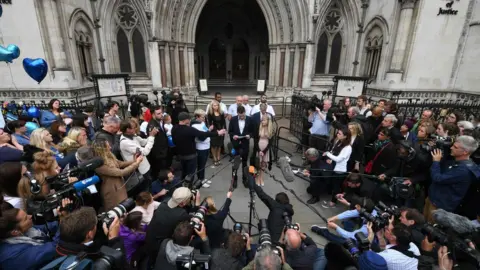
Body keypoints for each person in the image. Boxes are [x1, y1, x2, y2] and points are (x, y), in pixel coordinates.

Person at [0, 199, 70, 270]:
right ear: (15, 232)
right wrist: (65, 220)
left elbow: (48, 227)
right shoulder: (15, 254)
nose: (30, 216)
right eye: (25, 218)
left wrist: (62, 214)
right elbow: (55, 247)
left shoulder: (24, 230)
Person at [424, 136, 480, 222]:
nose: (451, 147)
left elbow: (437, 178)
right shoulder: (457, 161)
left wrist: (436, 162)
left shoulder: (463, 170)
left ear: (465, 152)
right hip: (433, 199)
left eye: (455, 147)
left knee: (429, 228)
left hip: (439, 207)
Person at [146, 187, 199, 267]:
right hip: (161, 244)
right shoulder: (181, 215)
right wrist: (197, 204)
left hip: (149, 236)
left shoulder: (164, 202)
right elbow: (189, 222)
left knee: (151, 260)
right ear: (183, 203)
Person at [56, 207, 125, 262]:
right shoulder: (90, 259)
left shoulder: (60, 247)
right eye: (95, 224)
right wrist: (114, 240)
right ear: (90, 234)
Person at [172, 112, 225, 183]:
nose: (190, 120)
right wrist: (217, 133)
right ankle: (189, 188)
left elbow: (174, 141)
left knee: (183, 172)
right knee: (190, 174)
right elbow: (202, 134)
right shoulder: (189, 129)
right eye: (188, 119)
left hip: (180, 155)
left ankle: (183, 186)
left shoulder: (174, 128)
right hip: (191, 155)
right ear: (185, 120)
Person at [92, 139, 142, 210]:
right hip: (112, 192)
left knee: (125, 207)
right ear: (102, 150)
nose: (110, 147)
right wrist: (136, 163)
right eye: (107, 146)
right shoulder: (100, 165)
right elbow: (121, 172)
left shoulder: (109, 155)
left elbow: (120, 163)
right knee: (119, 211)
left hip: (119, 187)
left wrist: (134, 160)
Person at [249, 176, 294, 243]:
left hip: (270, 239)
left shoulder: (275, 205)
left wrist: (252, 180)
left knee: (262, 223)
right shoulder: (289, 210)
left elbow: (262, 194)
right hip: (283, 240)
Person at [119, 119, 158, 192]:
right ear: (128, 129)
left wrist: (150, 135)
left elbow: (143, 142)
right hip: (140, 171)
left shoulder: (132, 136)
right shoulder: (125, 142)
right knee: (146, 190)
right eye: (134, 127)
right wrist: (152, 137)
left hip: (145, 167)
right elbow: (145, 151)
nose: (136, 129)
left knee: (149, 185)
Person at [321, 127, 352, 208]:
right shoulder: (339, 141)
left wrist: (328, 154)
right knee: (333, 183)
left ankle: (333, 202)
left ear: (345, 136)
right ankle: (333, 198)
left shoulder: (348, 147)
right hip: (333, 167)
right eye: (337, 133)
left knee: (336, 186)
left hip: (340, 169)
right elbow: (333, 151)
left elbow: (338, 159)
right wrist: (330, 158)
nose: (337, 134)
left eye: (339, 133)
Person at [229, 106, 254, 187]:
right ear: (237, 113)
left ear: (244, 112)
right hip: (236, 144)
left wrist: (249, 136)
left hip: (245, 144)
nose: (242, 117)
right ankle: (234, 180)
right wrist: (233, 136)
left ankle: (245, 179)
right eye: (240, 116)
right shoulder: (233, 119)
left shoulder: (250, 119)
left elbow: (253, 132)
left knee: (244, 163)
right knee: (235, 163)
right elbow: (230, 131)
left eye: (243, 115)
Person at [191, 109, 213, 188]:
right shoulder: (194, 126)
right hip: (200, 147)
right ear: (197, 117)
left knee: (203, 164)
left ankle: (203, 178)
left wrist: (208, 130)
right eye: (203, 117)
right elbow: (201, 137)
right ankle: (200, 180)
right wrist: (209, 131)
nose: (204, 119)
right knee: (201, 165)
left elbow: (206, 131)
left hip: (206, 145)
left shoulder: (202, 123)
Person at [147, 106, 170, 177]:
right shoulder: (152, 126)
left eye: (161, 113)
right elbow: (154, 142)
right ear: (153, 115)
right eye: (158, 113)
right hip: (158, 155)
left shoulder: (160, 121)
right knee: (159, 173)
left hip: (163, 151)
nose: (161, 115)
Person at [207, 100, 227, 167]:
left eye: (217, 105)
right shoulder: (210, 114)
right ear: (212, 106)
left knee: (219, 145)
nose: (216, 106)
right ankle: (214, 158)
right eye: (214, 105)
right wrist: (217, 131)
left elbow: (224, 122)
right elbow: (210, 124)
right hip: (214, 132)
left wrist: (224, 129)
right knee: (214, 145)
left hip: (221, 130)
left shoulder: (221, 113)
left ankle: (218, 157)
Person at [255, 115, 273, 186]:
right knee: (258, 164)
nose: (262, 121)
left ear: (268, 121)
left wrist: (264, 151)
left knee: (263, 164)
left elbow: (270, 143)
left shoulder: (270, 130)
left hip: (266, 149)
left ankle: (261, 178)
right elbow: (256, 141)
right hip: (259, 148)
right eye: (262, 120)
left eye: (264, 120)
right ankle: (257, 178)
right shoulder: (259, 128)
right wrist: (259, 150)